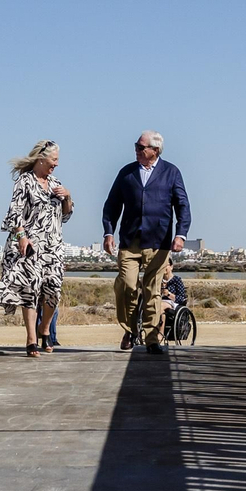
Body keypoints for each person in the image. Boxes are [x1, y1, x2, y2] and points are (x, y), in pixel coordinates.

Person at [101, 130, 191, 354]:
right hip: (129, 242)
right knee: (127, 285)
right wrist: (108, 232)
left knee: (153, 291)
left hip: (159, 242)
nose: (137, 150)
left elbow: (183, 205)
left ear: (155, 150)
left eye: (141, 147)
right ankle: (130, 329)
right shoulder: (127, 172)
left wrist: (180, 234)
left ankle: (152, 339)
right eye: (136, 146)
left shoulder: (171, 172)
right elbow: (112, 205)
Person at [0, 140, 73, 357]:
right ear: (41, 158)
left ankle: (44, 328)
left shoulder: (56, 183)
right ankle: (31, 339)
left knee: (53, 290)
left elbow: (65, 215)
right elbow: (15, 211)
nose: (56, 164)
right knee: (31, 289)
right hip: (31, 245)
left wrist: (68, 196)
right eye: (54, 160)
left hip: (53, 246)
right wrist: (21, 237)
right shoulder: (24, 181)